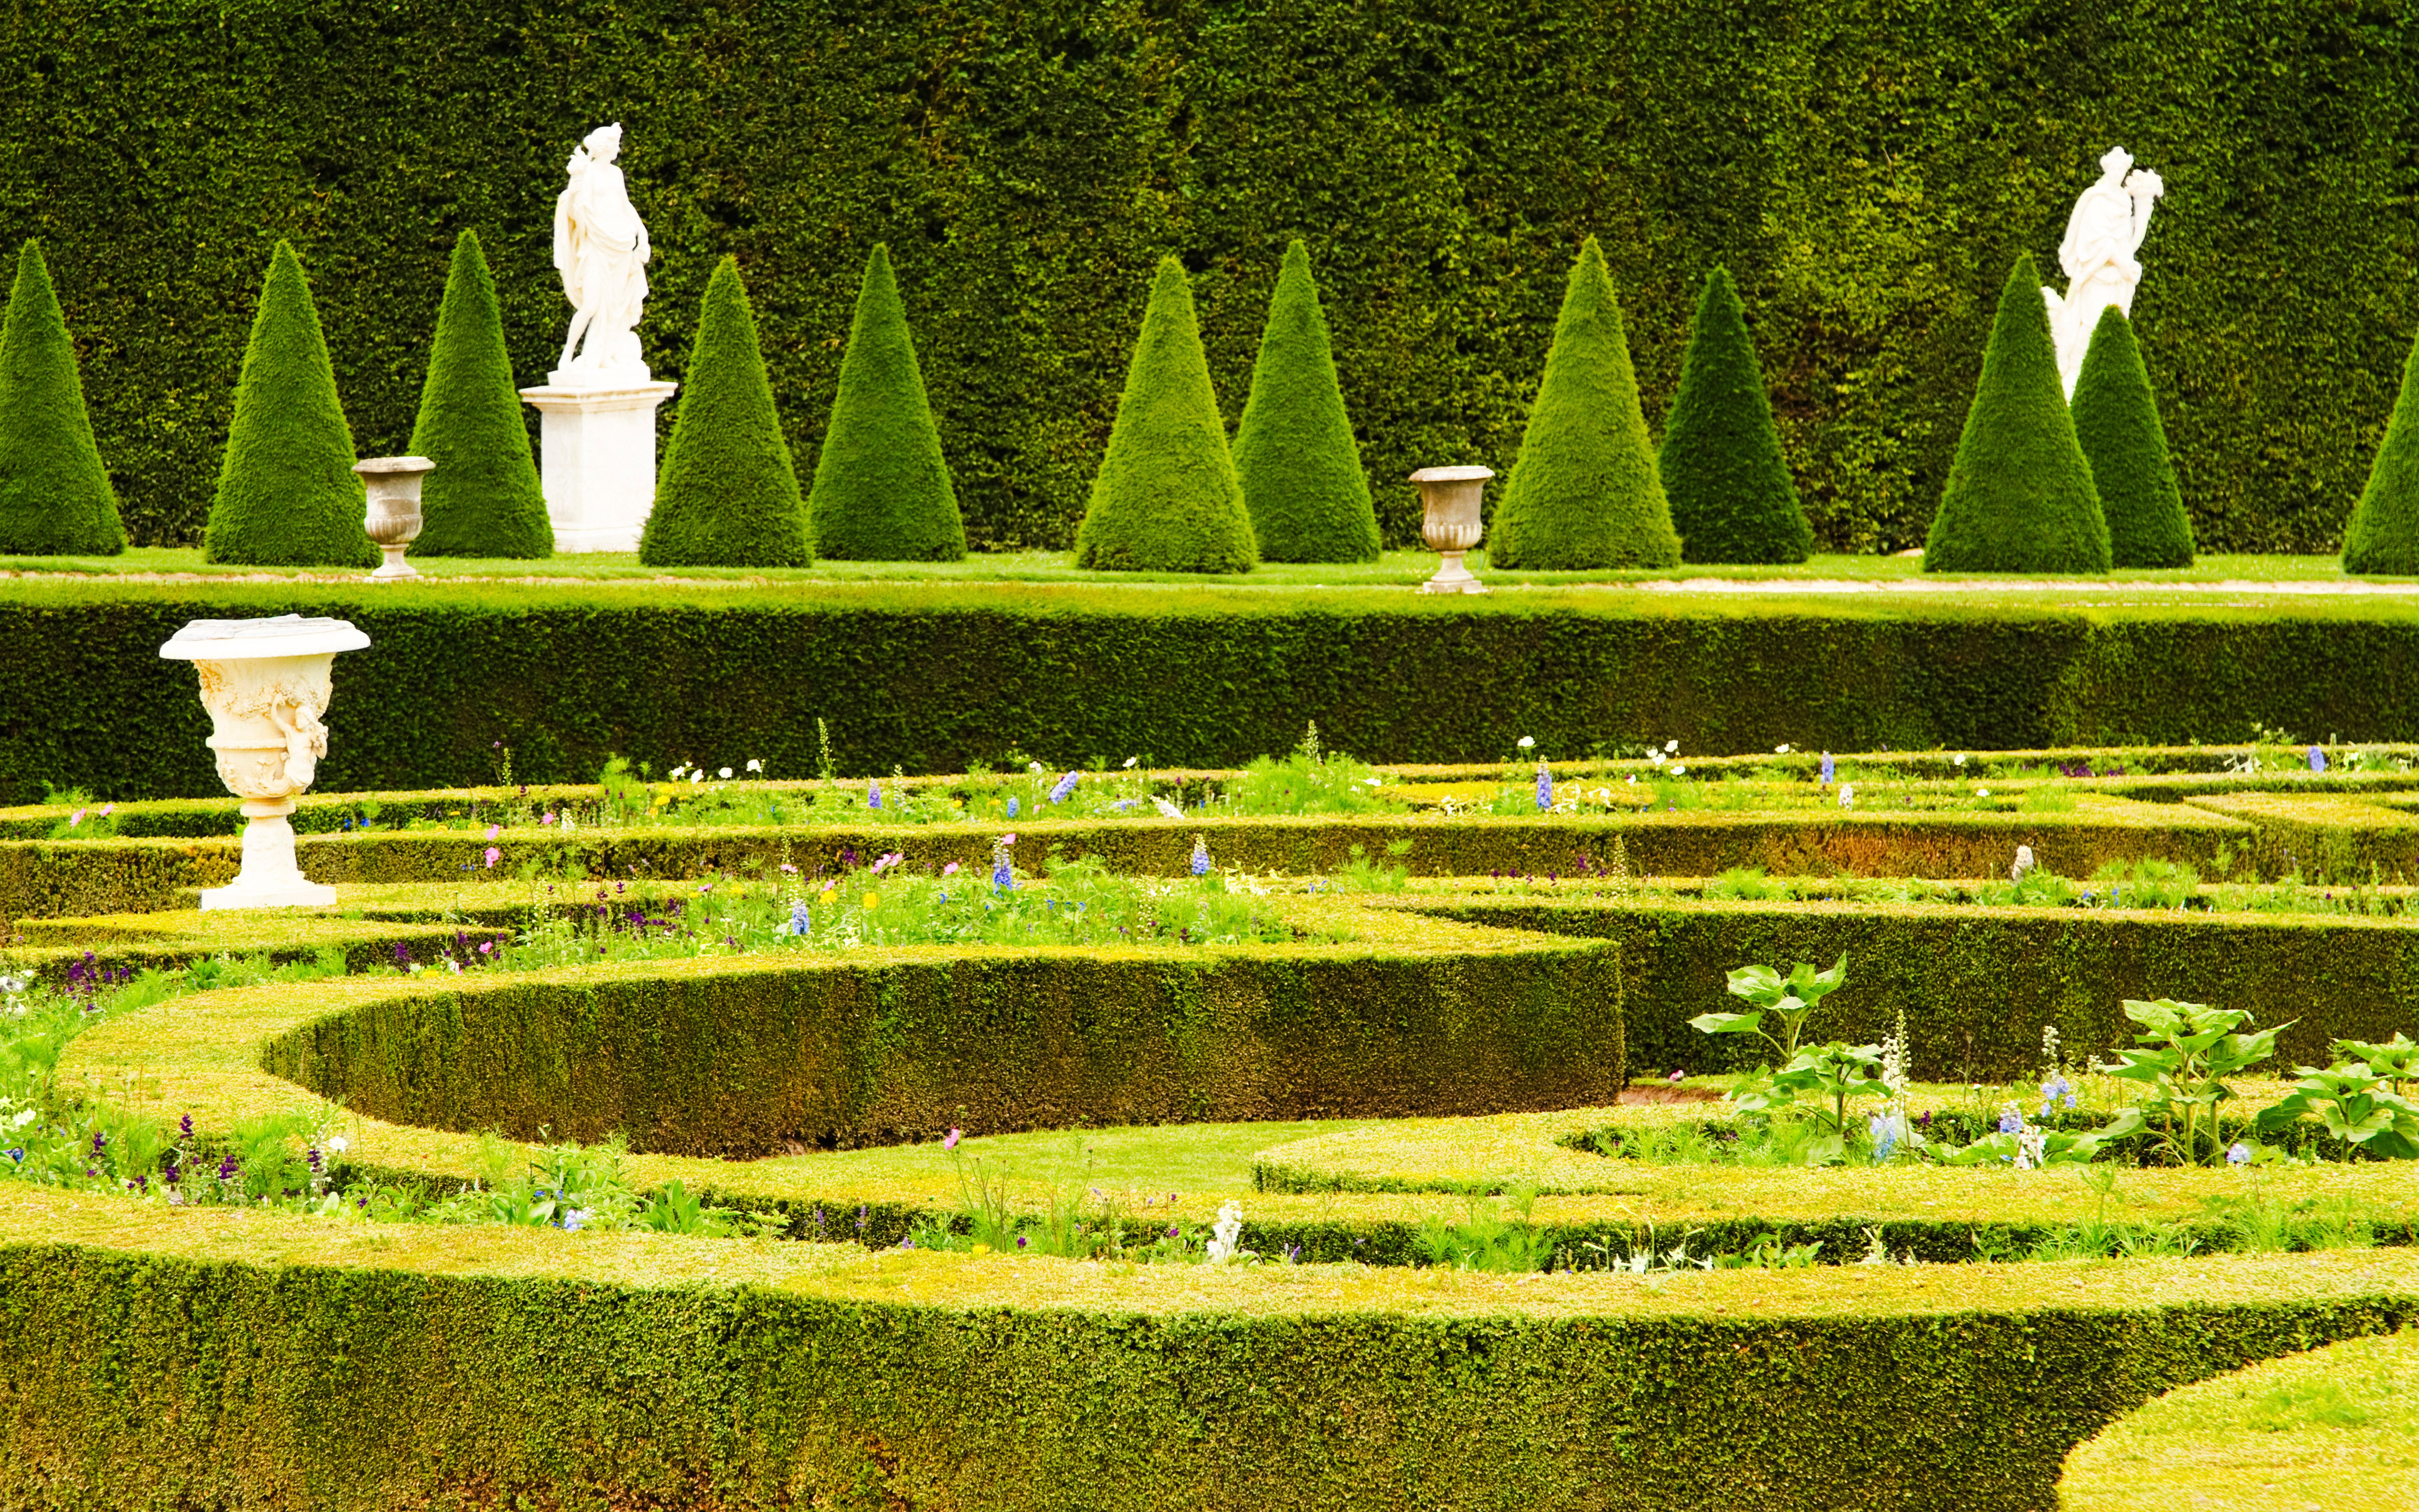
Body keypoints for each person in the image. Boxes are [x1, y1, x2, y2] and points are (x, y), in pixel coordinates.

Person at [2042, 146, 2162, 396]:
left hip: (2115, 279)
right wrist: (2123, 264)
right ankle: (2075, 380)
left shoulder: (2122, 200)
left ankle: (2099, 388)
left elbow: (2125, 244)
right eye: (2115, 167)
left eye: (2122, 169)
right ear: (2107, 167)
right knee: (2090, 327)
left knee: (2110, 331)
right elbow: (2098, 242)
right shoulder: (2096, 199)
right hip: (2097, 274)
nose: (2119, 172)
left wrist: (2143, 207)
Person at [553, 123, 653, 379]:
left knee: (616, 306)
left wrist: (642, 233)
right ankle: (567, 356)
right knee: (591, 305)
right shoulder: (586, 174)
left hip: (621, 245)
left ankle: (606, 354)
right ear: (605, 148)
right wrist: (575, 190)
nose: (618, 149)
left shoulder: (616, 173)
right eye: (615, 145)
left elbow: (625, 205)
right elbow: (577, 213)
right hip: (597, 245)